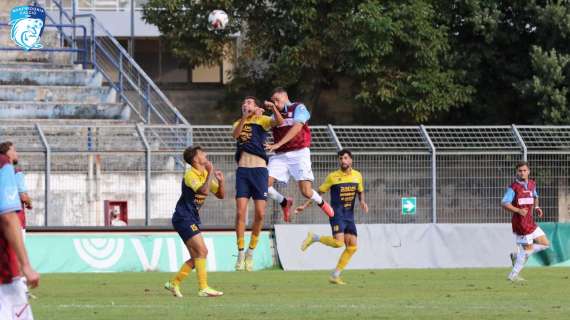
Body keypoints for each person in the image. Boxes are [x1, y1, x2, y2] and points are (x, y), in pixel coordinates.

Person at [297, 149, 368, 284]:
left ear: (351, 160)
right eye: (341, 158)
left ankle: (335, 275)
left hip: (349, 215)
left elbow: (361, 191)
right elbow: (318, 193)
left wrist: (362, 201)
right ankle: (314, 237)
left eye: (346, 158)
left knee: (352, 247)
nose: (343, 161)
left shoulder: (358, 175)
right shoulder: (332, 177)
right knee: (338, 243)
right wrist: (305, 205)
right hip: (336, 214)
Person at [264, 87, 334, 222]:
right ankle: (284, 202)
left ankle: (322, 203)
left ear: (286, 97)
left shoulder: (298, 107)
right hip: (280, 156)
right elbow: (261, 125)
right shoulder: (274, 116)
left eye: (277, 100)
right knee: (263, 184)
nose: (276, 104)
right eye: (273, 102)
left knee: (306, 191)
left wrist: (278, 144)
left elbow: (297, 127)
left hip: (299, 153)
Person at [164, 146, 225, 298]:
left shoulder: (204, 173)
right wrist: (210, 172)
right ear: (196, 159)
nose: (206, 154)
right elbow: (203, 191)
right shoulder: (190, 175)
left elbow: (220, 195)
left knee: (196, 256)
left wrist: (221, 182)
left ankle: (174, 283)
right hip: (183, 217)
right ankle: (203, 288)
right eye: (202, 153)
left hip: (190, 218)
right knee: (203, 251)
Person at [232, 96, 284, 271]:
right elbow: (236, 135)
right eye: (244, 102)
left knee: (260, 214)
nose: (246, 104)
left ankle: (250, 252)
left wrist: (272, 108)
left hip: (260, 171)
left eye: (249, 103)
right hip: (243, 171)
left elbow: (279, 121)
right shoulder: (239, 123)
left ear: (255, 106)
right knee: (240, 212)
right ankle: (240, 253)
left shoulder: (262, 120)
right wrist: (245, 118)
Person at [0, 141, 39, 320]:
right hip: (3, 272)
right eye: (14, 149)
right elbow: (8, 217)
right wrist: (26, 266)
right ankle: (23, 284)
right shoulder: (6, 167)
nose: (16, 152)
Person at [501, 161, 549, 282]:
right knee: (527, 250)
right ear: (517, 172)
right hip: (521, 223)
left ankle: (517, 256)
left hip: (530, 221)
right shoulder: (514, 187)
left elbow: (535, 196)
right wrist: (518, 210)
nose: (522, 173)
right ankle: (512, 276)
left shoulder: (532, 184)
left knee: (544, 244)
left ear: (529, 171)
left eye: (524, 170)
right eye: (520, 171)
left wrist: (537, 207)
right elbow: (504, 203)